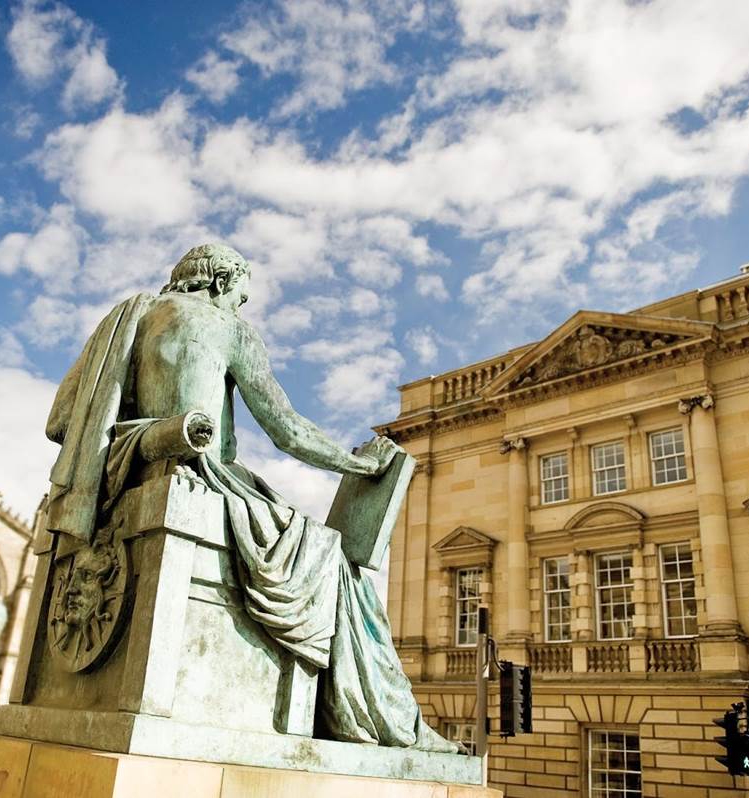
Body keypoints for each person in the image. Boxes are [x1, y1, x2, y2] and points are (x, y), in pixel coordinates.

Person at [46, 244, 456, 752]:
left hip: (118, 472)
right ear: (222, 283)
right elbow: (287, 430)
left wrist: (137, 437)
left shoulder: (126, 319)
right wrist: (359, 465)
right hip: (203, 470)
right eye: (241, 296)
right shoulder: (228, 328)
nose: (240, 306)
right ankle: (384, 719)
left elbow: (60, 422)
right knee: (335, 564)